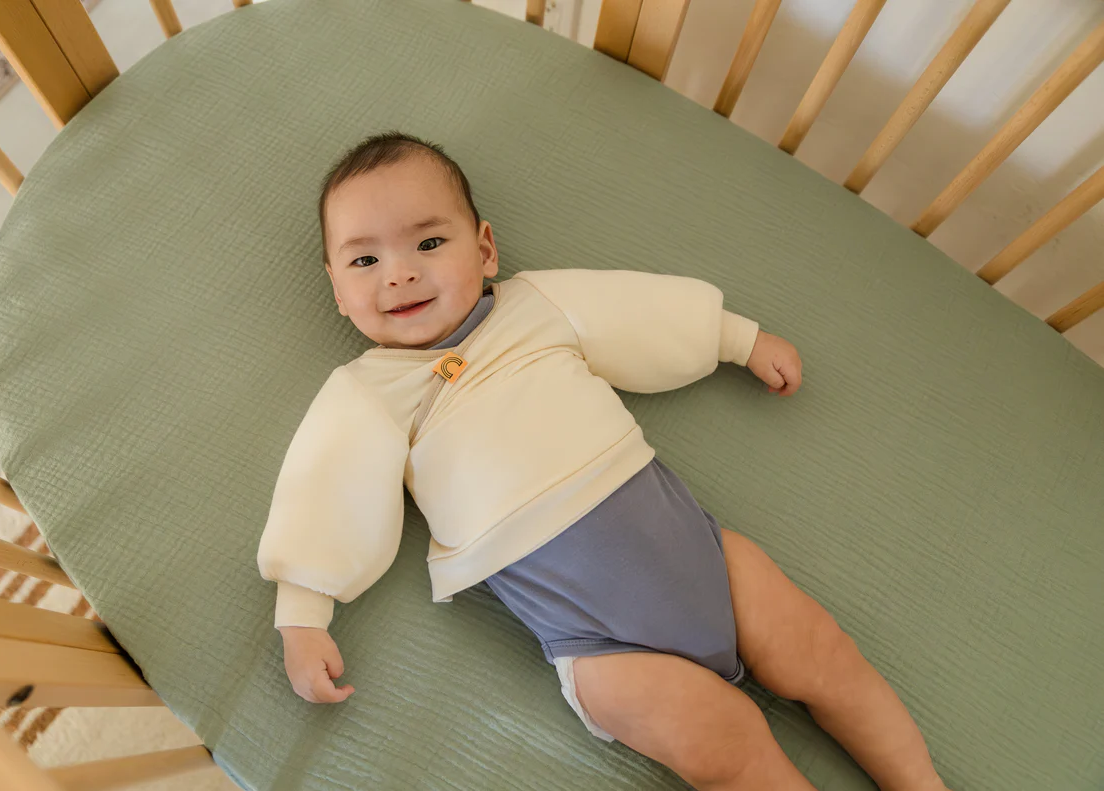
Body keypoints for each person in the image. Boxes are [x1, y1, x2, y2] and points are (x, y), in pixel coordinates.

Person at [257, 131, 947, 791]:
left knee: (822, 652)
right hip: (599, 644)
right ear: (336, 289)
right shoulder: (366, 393)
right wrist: (303, 611)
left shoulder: (537, 306)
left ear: (486, 247)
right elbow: (327, 486)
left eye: (430, 242)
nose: (400, 272)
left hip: (698, 556)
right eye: (364, 260)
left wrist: (733, 337)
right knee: (720, 742)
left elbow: (635, 313)